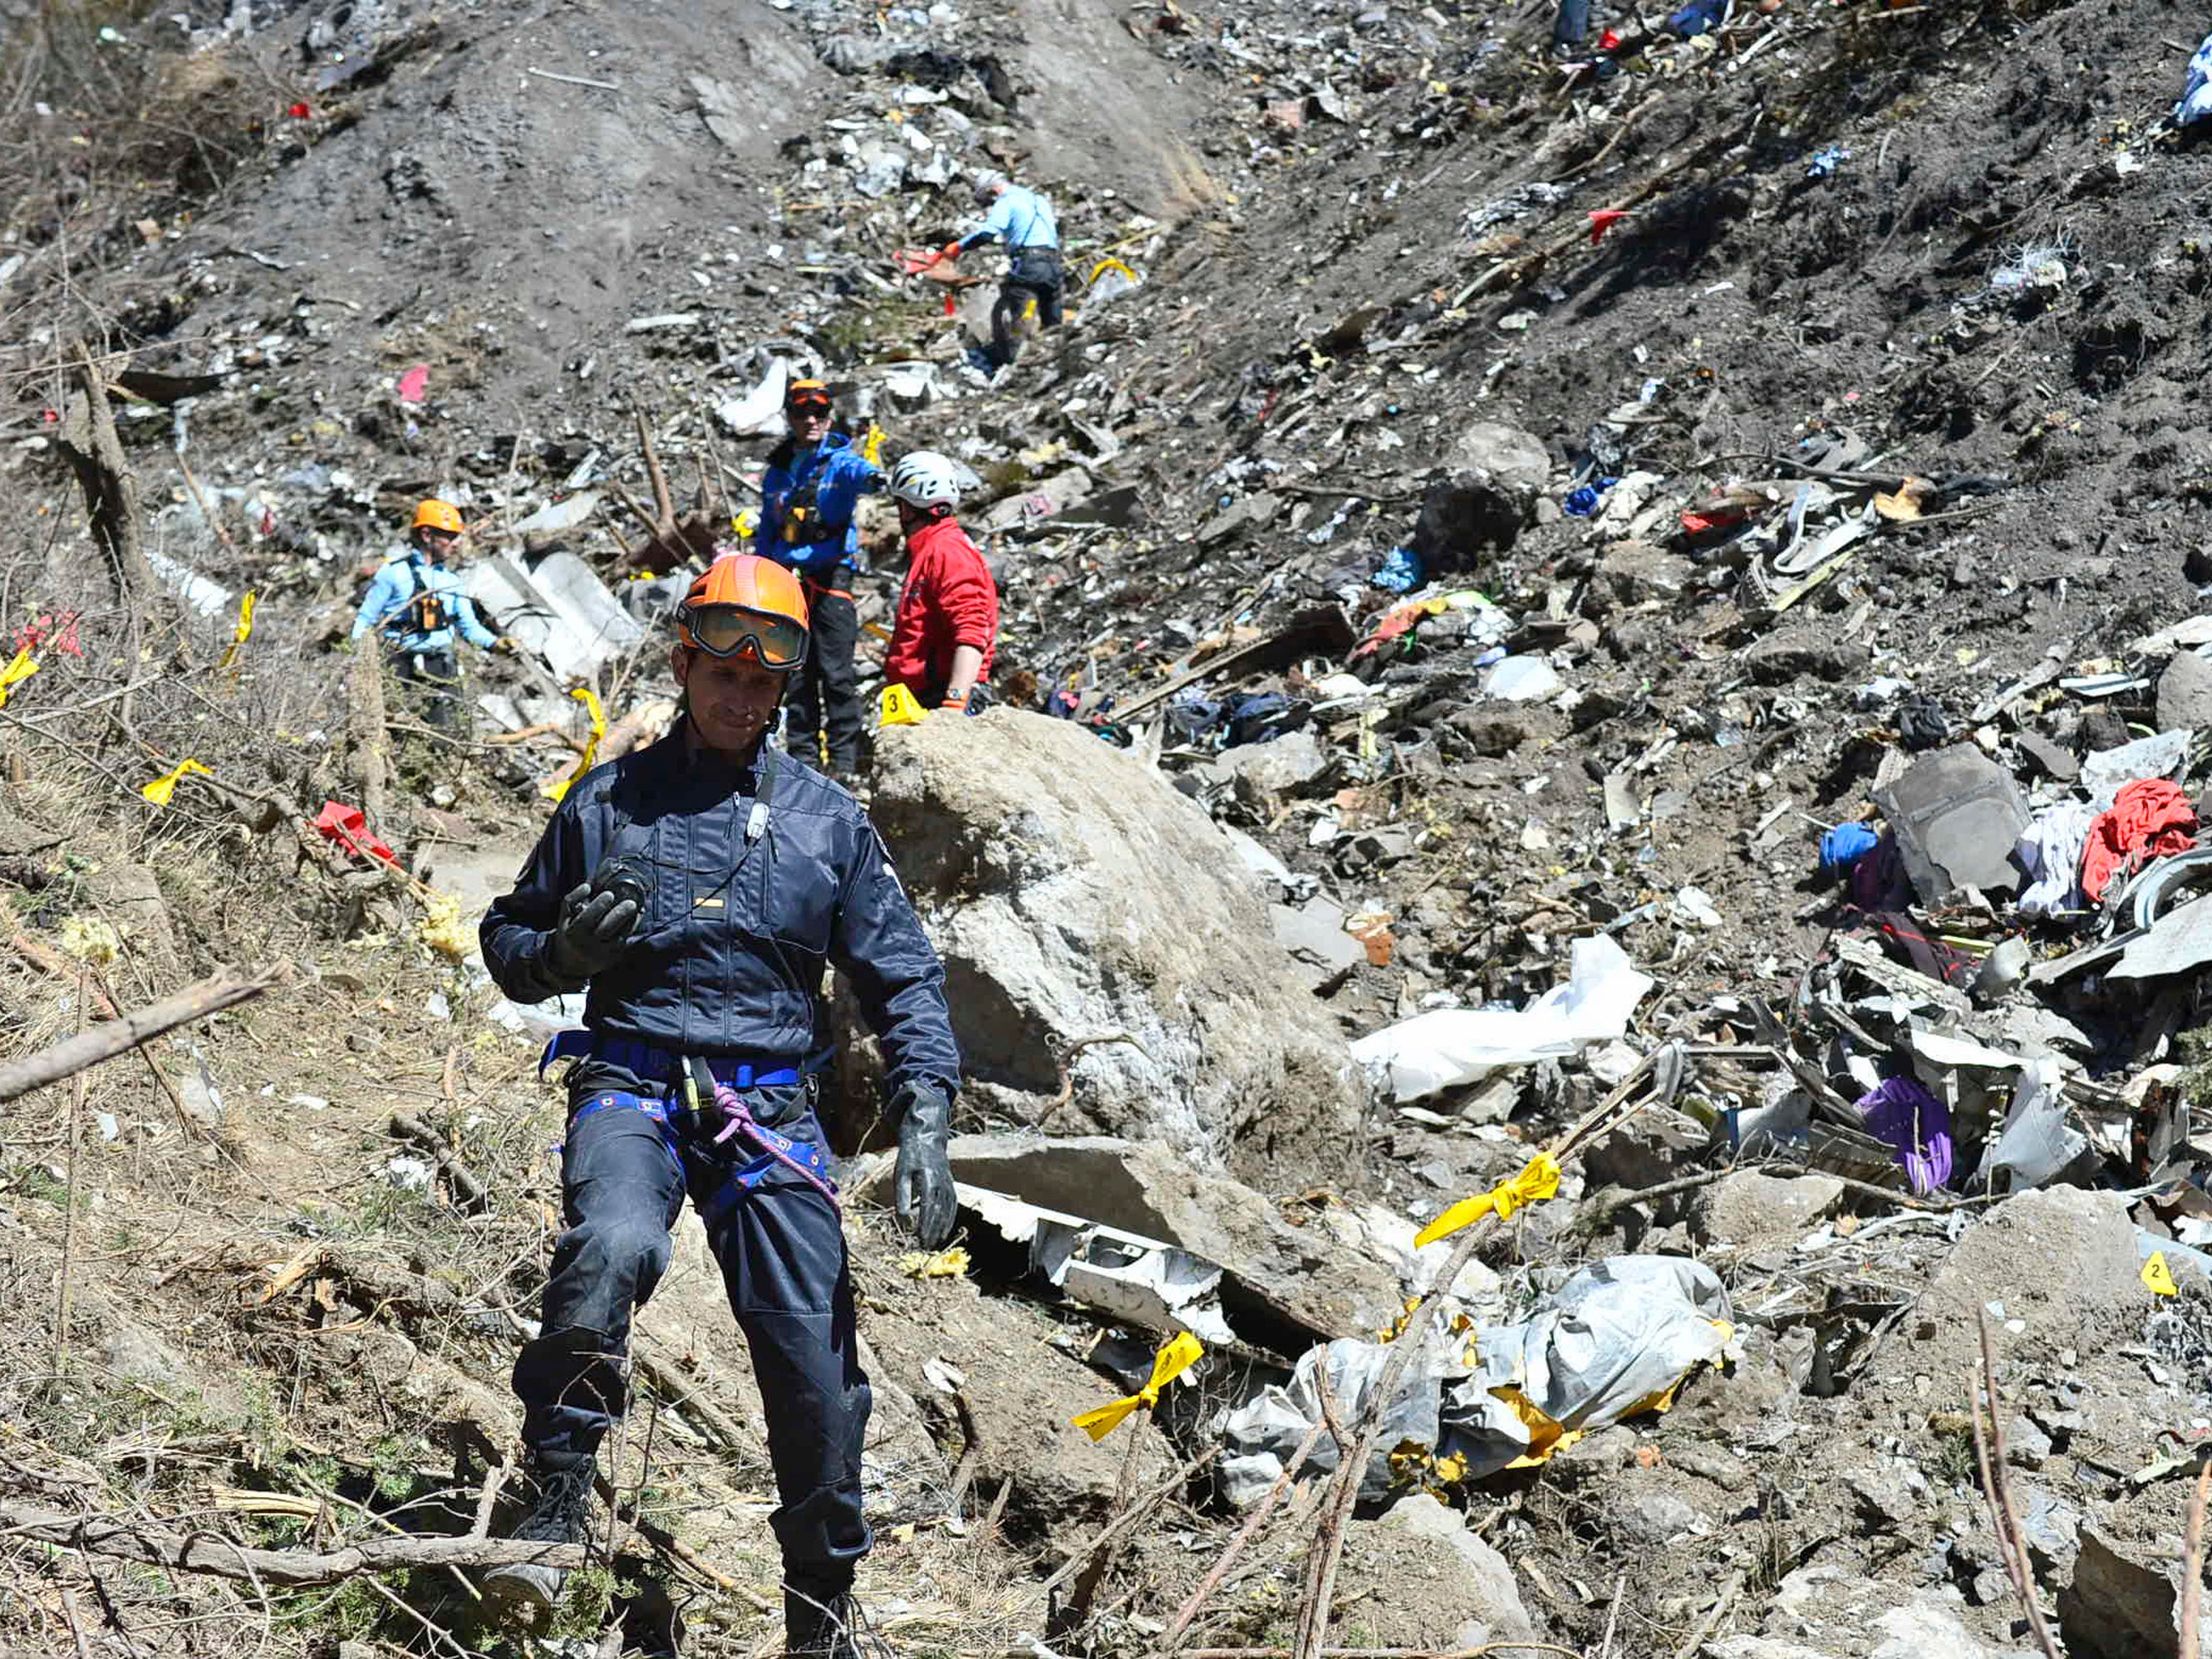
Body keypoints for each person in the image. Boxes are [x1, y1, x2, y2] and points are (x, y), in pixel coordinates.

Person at [477, 551, 960, 1659]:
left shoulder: (826, 824)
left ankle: (821, 1612)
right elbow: (507, 944)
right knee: (609, 1245)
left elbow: (904, 974)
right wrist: (562, 951)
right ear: (685, 660)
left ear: (784, 685)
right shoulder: (606, 798)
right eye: (721, 670)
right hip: (631, 1082)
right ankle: (553, 1505)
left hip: (766, 1108)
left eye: (763, 679)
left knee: (812, 1358)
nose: (740, 696)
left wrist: (927, 1106)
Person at [760, 379, 880, 780]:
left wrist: (879, 480)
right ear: (789, 417)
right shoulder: (777, 471)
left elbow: (862, 474)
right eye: (801, 412)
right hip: (787, 579)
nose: (811, 420)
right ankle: (804, 761)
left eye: (819, 412)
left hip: (832, 576)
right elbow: (766, 530)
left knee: (836, 670)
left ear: (830, 417)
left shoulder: (840, 461)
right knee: (796, 673)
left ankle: (844, 761)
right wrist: (761, 577)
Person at [348, 498, 515, 727]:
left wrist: (496, 644)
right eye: (450, 536)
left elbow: (469, 627)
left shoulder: (452, 581)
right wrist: (358, 659)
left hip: (441, 668)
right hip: (399, 667)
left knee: (446, 732)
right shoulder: (393, 574)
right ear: (427, 535)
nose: (456, 544)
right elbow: (365, 619)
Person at [882, 453, 999, 713]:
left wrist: (955, 702)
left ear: (906, 507)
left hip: (941, 696)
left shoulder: (945, 550)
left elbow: (972, 625)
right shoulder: (933, 548)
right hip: (922, 696)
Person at [949, 171, 1063, 371]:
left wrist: (959, 246)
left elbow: (989, 232)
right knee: (1051, 314)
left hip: (1029, 264)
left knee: (1017, 309)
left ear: (993, 191)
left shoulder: (1006, 201)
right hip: (1052, 263)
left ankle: (1013, 363)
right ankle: (1056, 356)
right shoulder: (1038, 200)